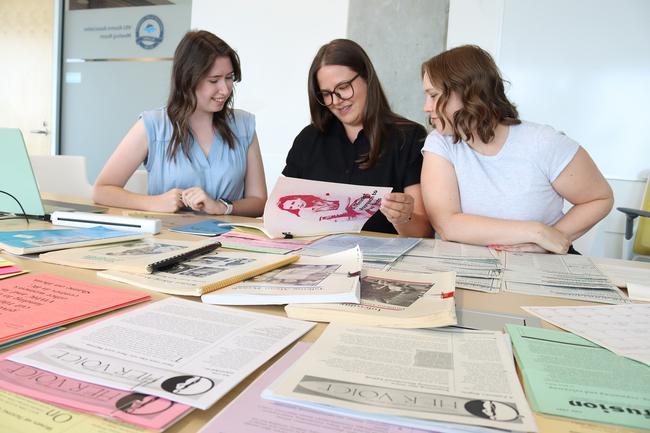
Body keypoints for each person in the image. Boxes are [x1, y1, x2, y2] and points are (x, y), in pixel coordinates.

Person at [420, 45, 613, 254]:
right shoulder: (440, 143)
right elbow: (448, 225)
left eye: (433, 95)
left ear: (468, 92)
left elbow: (599, 198)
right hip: (472, 264)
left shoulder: (544, 142)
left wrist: (549, 241)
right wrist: (536, 232)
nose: (426, 107)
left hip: (540, 266)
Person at [93, 30, 267, 216]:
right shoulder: (153, 126)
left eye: (229, 78)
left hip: (228, 242)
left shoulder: (243, 125)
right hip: (169, 241)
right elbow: (102, 190)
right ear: (187, 80)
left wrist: (222, 207)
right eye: (214, 80)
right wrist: (154, 203)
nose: (224, 90)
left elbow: (259, 202)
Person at [282, 39, 433, 236]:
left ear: (366, 78)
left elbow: (423, 232)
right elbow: (281, 212)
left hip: (380, 262)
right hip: (313, 257)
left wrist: (403, 217)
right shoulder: (309, 139)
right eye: (326, 94)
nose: (336, 101)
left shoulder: (409, 138)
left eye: (343, 87)